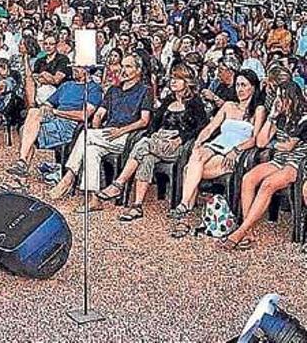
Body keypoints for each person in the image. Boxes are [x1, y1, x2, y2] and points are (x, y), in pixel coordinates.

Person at [96, 64, 208, 221]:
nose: (173, 81)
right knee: (146, 158)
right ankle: (137, 206)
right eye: (172, 78)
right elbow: (154, 123)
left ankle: (119, 183)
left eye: (178, 78)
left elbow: (202, 127)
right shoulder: (169, 99)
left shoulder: (195, 102)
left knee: (143, 144)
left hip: (176, 145)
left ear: (187, 82)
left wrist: (181, 138)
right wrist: (152, 135)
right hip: (158, 141)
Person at [48, 55, 153, 212]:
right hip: (107, 135)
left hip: (127, 137)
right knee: (90, 149)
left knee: (86, 136)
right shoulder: (113, 90)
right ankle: (94, 199)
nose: (124, 70)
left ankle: (69, 176)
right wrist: (98, 132)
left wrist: (120, 131)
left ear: (138, 70)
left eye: (129, 67)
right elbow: (98, 115)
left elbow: (144, 121)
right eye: (123, 66)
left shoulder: (145, 91)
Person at [221, 81, 307, 250]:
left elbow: (289, 146)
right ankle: (249, 232)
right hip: (279, 159)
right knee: (248, 178)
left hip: (297, 162)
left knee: (268, 184)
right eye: (277, 96)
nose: (278, 101)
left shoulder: (304, 118)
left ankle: (241, 231)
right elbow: (261, 142)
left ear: (292, 98)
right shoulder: (279, 116)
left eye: (282, 97)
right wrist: (272, 116)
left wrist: (272, 143)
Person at [171, 69, 266, 219]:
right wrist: (198, 141)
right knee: (197, 154)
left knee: (189, 169)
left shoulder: (258, 110)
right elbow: (210, 128)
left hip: (235, 151)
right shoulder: (229, 105)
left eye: (244, 85)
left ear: (253, 87)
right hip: (217, 144)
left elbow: (255, 139)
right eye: (237, 85)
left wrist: (236, 150)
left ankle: (185, 210)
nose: (239, 89)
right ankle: (185, 205)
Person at [6, 66, 102, 179]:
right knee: (33, 112)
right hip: (54, 118)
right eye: (74, 66)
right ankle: (22, 162)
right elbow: (48, 103)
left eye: (78, 67)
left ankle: (23, 166)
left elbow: (84, 115)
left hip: (69, 125)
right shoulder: (67, 85)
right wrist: (45, 108)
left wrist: (56, 112)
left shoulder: (93, 89)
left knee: (26, 131)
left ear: (87, 69)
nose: (74, 69)